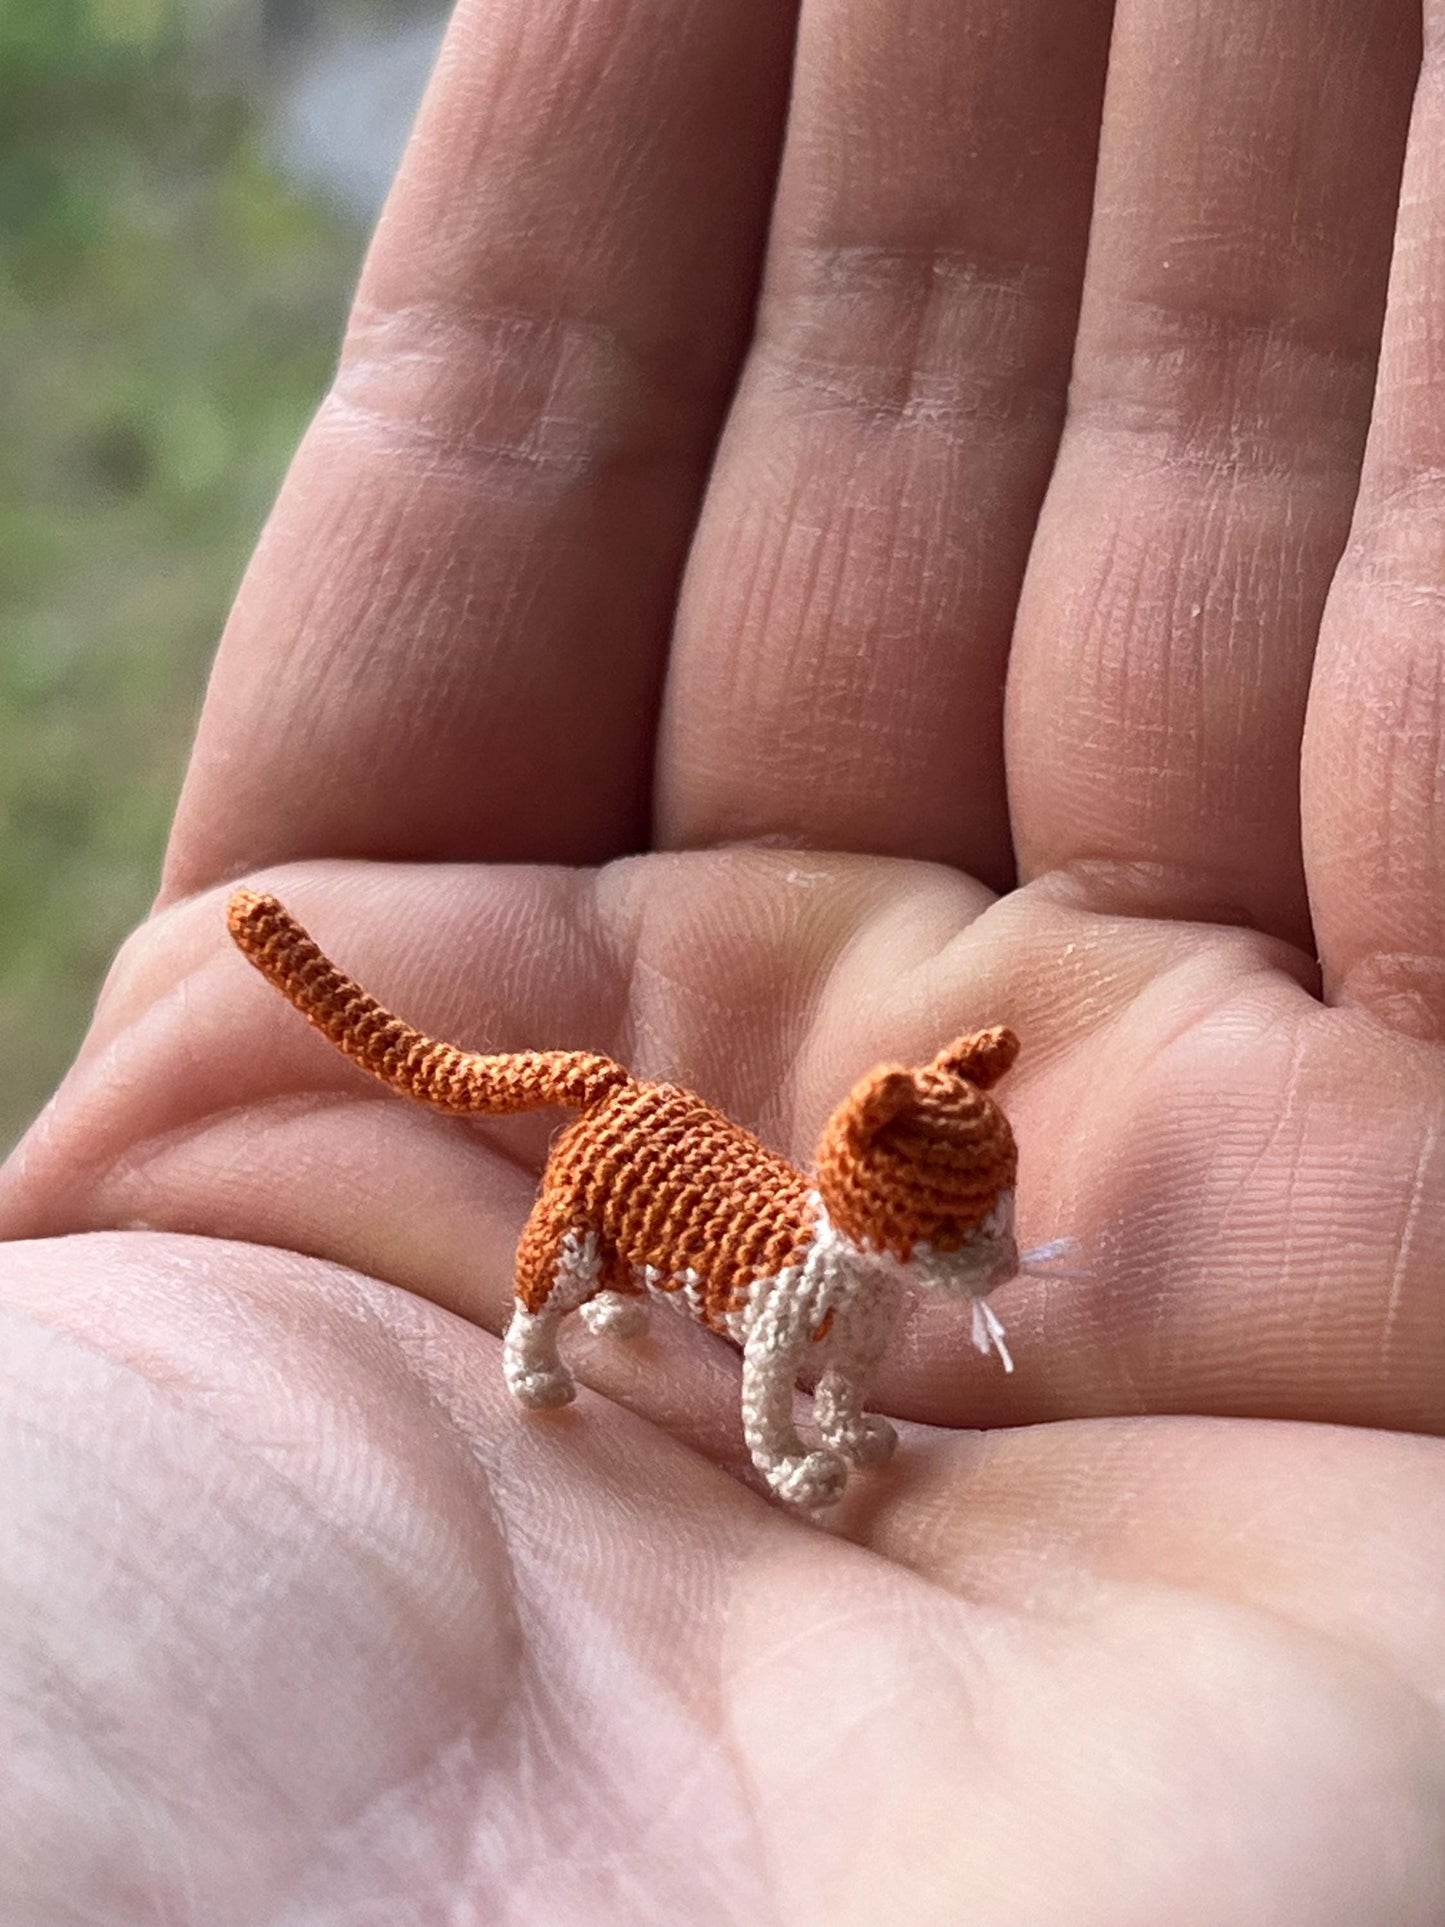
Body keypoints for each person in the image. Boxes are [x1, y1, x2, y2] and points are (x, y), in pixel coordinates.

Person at [2, 1, 1443, 1917]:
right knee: (551, 1226)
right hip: (627, 1188)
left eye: (972, 1234)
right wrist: (786, 1443)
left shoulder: (870, 1237)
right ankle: (538, 1322)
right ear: (879, 1211)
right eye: (958, 1248)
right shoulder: (797, 1296)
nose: (985, 1269)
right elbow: (784, 1406)